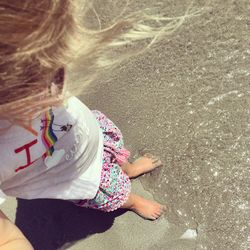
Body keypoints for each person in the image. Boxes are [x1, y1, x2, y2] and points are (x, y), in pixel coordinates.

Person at [0, 0, 196, 249]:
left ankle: (128, 168)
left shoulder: (34, 61)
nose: (56, 82)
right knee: (111, 193)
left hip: (86, 133)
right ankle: (133, 201)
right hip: (72, 175)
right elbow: (6, 239)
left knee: (112, 149)